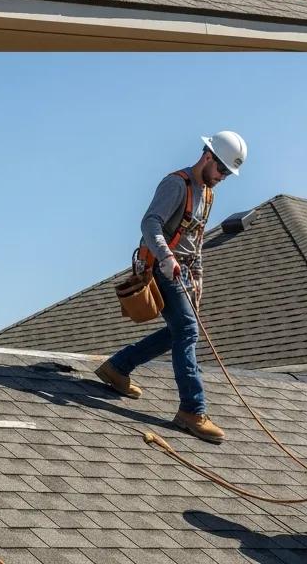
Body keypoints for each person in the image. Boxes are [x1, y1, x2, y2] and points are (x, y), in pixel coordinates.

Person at [93, 130, 247, 443]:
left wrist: (198, 283)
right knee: (188, 332)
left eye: (228, 174)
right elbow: (150, 223)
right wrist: (166, 257)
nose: (222, 177)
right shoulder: (176, 184)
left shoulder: (207, 194)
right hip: (160, 267)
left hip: (184, 273)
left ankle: (117, 367)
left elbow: (196, 243)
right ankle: (192, 409)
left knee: (177, 332)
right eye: (221, 170)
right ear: (207, 156)